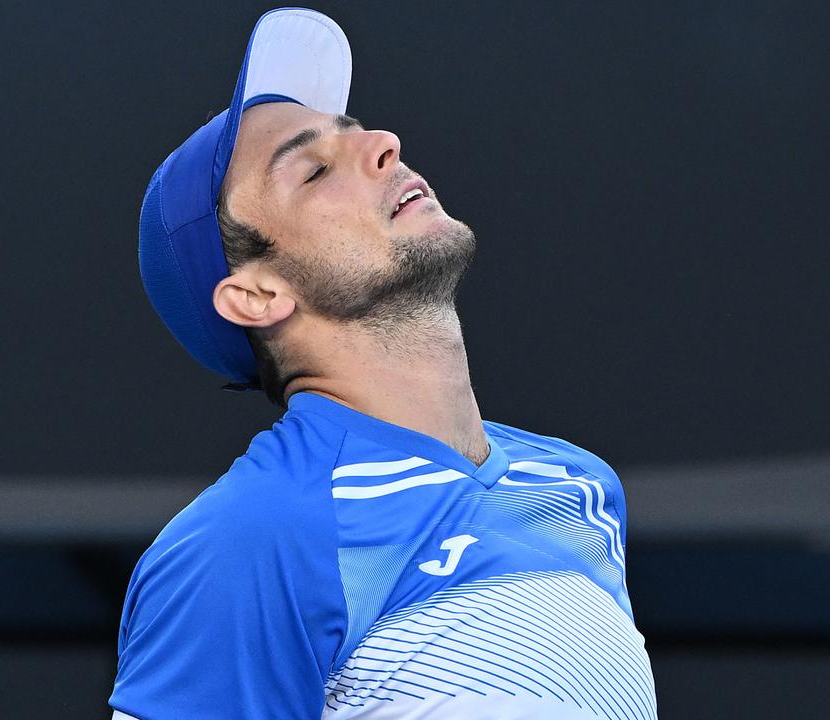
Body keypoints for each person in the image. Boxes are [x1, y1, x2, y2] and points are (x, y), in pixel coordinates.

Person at [110, 8, 656, 720]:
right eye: (313, 169)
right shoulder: (252, 538)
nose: (384, 144)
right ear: (257, 293)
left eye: (355, 131)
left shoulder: (577, 480)